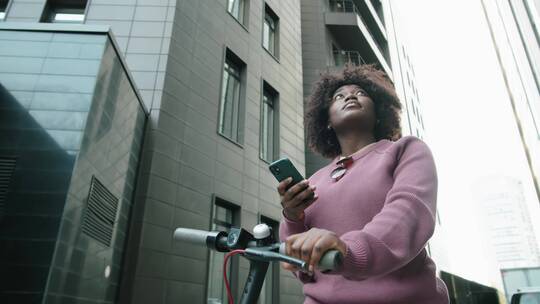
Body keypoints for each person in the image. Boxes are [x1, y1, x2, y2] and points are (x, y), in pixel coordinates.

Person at [277, 64, 449, 304]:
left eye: (360, 93)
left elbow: (408, 212)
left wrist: (349, 250)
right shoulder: (313, 181)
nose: (349, 96)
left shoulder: (406, 150)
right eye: (339, 96)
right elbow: (300, 266)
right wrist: (292, 216)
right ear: (327, 120)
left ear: (378, 111)